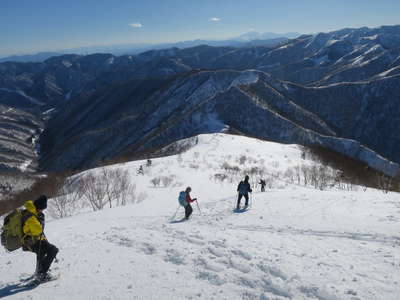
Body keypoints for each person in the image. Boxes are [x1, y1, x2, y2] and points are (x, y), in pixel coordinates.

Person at [22, 195, 59, 282]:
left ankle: (39, 272)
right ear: (38, 207)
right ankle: (41, 274)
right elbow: (38, 230)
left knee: (42, 252)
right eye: (42, 209)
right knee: (53, 250)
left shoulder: (31, 212)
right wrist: (40, 220)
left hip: (31, 240)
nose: (42, 211)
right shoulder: (31, 216)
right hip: (30, 242)